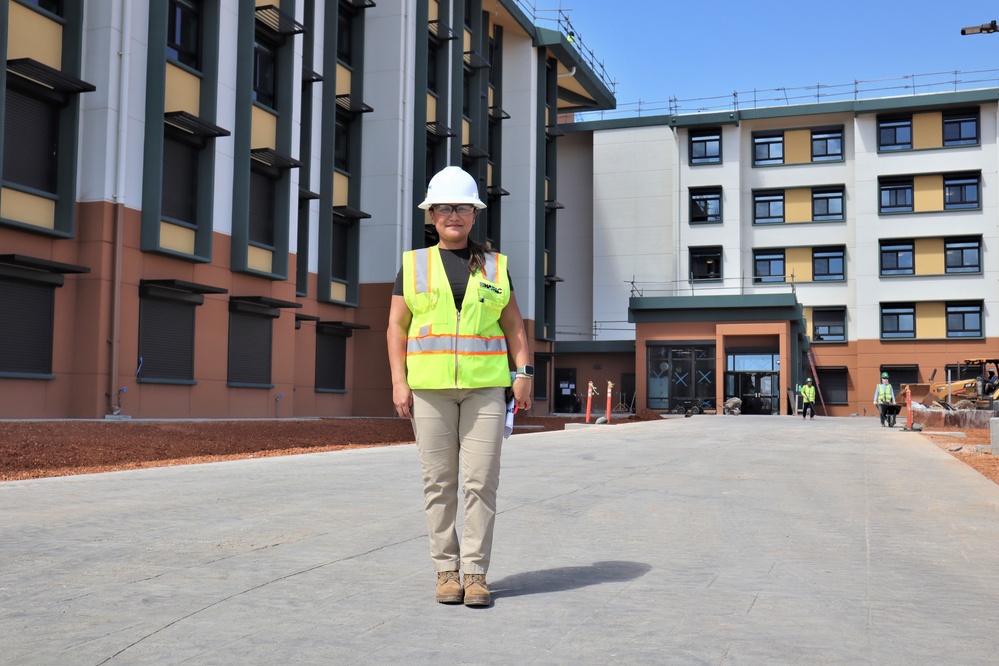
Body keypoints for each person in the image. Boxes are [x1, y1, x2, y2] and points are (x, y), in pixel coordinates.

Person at [386, 166, 532, 608]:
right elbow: (395, 325)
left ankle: (476, 573)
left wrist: (523, 373)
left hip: (485, 388)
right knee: (439, 482)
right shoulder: (413, 264)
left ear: (474, 215)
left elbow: (514, 326)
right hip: (429, 389)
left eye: (462, 207)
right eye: (444, 207)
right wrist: (398, 381)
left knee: (481, 481)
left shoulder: (495, 265)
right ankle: (446, 571)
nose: (453, 214)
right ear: (430, 215)